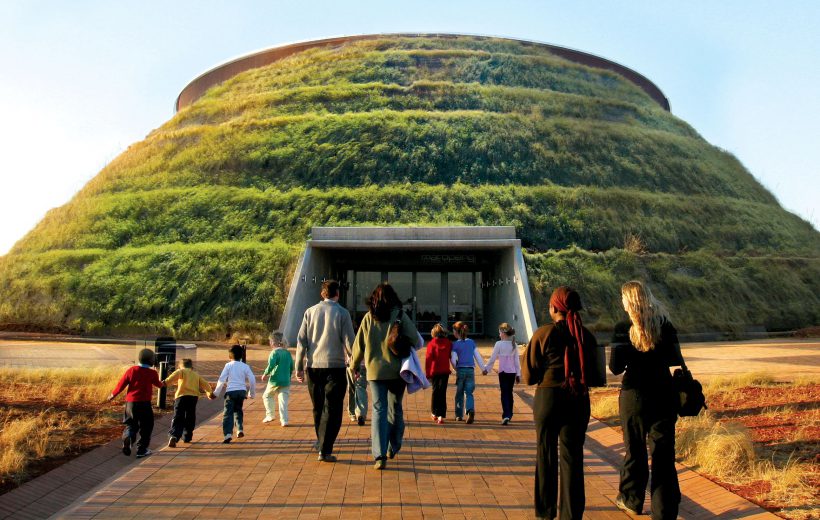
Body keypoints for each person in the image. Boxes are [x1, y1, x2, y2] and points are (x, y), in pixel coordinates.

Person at [610, 281, 685, 519]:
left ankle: (632, 499)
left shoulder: (623, 328)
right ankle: (664, 510)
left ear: (629, 301)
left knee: (634, 450)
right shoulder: (665, 326)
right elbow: (675, 358)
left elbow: (615, 368)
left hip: (634, 395)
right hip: (663, 393)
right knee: (663, 454)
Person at [522, 286, 598, 520]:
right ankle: (571, 514)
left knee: (545, 453)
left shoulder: (543, 334)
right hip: (577, 400)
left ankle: (545, 512)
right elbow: (594, 376)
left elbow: (529, 376)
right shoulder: (586, 336)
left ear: (555, 308)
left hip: (548, 398)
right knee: (572, 457)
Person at [351, 282, 420, 470]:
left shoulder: (368, 318)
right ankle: (394, 446)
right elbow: (415, 339)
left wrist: (353, 366)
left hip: (374, 371)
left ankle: (379, 455)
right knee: (395, 408)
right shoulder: (400, 315)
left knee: (378, 410)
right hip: (398, 371)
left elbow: (359, 345)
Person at [296, 279, 355, 463]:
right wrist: (355, 365)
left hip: (313, 367)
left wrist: (298, 366)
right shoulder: (342, 313)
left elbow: (301, 341)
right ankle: (325, 448)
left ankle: (320, 442)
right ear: (337, 293)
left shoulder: (309, 312)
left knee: (318, 407)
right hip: (335, 367)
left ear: (322, 293)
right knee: (333, 408)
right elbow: (349, 342)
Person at [107, 348, 165, 458]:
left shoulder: (131, 370)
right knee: (147, 426)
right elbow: (158, 385)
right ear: (151, 361)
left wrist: (112, 395)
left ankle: (128, 437)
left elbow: (121, 384)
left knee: (131, 424)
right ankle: (142, 449)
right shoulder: (152, 373)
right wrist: (163, 384)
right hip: (145, 404)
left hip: (131, 403)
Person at [163, 358, 215, 447]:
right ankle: (187, 436)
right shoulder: (196, 375)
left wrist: (165, 383)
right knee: (190, 416)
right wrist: (209, 393)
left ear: (180, 366)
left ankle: (174, 435)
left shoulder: (181, 371)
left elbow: (171, 378)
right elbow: (205, 384)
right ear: (192, 367)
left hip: (181, 397)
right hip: (193, 398)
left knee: (178, 416)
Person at [214, 344, 256, 444]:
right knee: (238, 410)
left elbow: (222, 379)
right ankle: (240, 429)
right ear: (241, 356)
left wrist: (216, 392)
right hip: (241, 392)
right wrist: (252, 392)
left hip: (231, 392)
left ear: (229, 356)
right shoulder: (245, 366)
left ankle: (228, 434)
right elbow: (252, 379)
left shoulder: (228, 365)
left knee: (228, 413)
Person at [484, 322, 521, 425]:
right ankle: (509, 414)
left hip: (503, 372)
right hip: (512, 373)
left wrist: (486, 369)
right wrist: (518, 374)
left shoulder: (498, 344)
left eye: (499, 332)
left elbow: (492, 359)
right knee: (509, 392)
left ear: (503, 333)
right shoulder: (514, 344)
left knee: (504, 393)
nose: (499, 334)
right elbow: (517, 361)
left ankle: (506, 415)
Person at [450, 321, 485, 423]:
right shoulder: (471, 342)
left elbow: (453, 359)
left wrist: (455, 368)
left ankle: (458, 415)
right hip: (470, 370)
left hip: (460, 370)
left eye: (453, 331)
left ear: (456, 332)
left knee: (459, 393)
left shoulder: (455, 345)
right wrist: (483, 369)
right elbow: (478, 357)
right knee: (469, 392)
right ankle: (470, 410)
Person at [261, 331, 294, 427]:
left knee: (267, 396)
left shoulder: (274, 353)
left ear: (274, 342)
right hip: (286, 380)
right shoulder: (287, 353)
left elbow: (271, 365)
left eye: (270, 341)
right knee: (283, 401)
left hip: (274, 380)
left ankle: (270, 415)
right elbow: (292, 366)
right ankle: (284, 420)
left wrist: (265, 374)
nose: (270, 343)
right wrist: (289, 375)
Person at [425, 323, 453, 424]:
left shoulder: (431, 344)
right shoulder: (449, 343)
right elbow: (451, 355)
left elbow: (428, 360)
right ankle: (441, 415)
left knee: (435, 391)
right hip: (445, 371)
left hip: (434, 371)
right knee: (442, 392)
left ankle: (434, 412)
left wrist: (427, 374)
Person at [347, 357, 368, 426]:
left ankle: (354, 413)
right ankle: (360, 414)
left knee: (353, 389)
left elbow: (349, 349)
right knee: (359, 389)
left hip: (353, 364)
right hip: (363, 364)